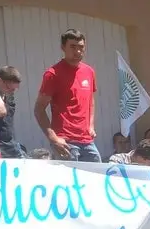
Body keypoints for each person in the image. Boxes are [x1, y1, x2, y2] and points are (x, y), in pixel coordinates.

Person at [34, 29, 101, 162]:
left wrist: (91, 126)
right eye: (72, 47)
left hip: (87, 141)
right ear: (63, 47)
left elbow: (90, 100)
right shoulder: (53, 74)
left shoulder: (89, 71)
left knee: (96, 179)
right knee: (68, 182)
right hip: (65, 142)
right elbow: (39, 110)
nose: (77, 51)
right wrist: (53, 138)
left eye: (81, 47)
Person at [0, 66, 24, 158]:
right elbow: (1, 111)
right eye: (8, 88)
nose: (10, 91)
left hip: (8, 145)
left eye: (14, 90)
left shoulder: (9, 96)